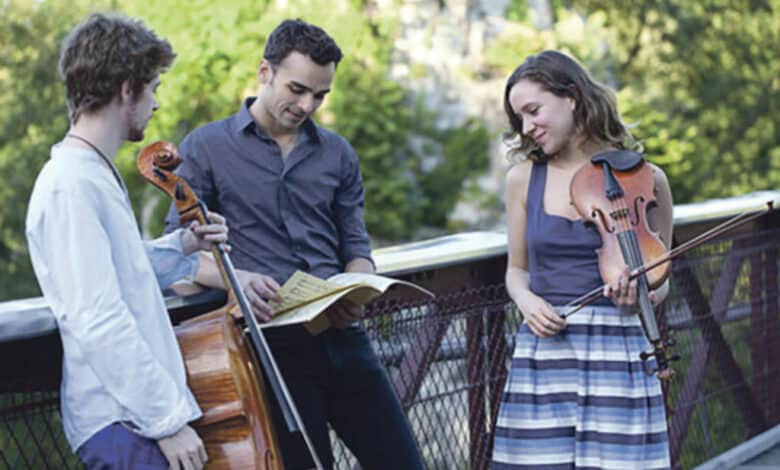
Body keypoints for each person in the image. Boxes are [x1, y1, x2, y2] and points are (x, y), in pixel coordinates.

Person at [164, 18, 425, 470]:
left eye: (320, 95)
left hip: (344, 338)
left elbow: (356, 248)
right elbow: (177, 258)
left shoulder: (338, 154)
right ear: (264, 71)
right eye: (298, 89)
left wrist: (357, 289)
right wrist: (235, 280)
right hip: (268, 350)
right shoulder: (204, 148)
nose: (307, 105)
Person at [25, 13, 229, 470]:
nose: (156, 103)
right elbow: (96, 317)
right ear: (126, 89)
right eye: (152, 87)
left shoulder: (90, 171)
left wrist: (182, 246)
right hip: (123, 423)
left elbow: (119, 270)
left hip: (132, 419)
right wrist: (167, 422)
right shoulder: (69, 184)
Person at [491, 50, 673, 469]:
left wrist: (640, 296)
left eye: (534, 111)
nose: (527, 127)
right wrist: (527, 301)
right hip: (546, 356)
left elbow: (663, 280)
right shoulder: (523, 179)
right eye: (519, 118)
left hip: (621, 355)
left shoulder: (649, 180)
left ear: (571, 97)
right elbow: (517, 270)